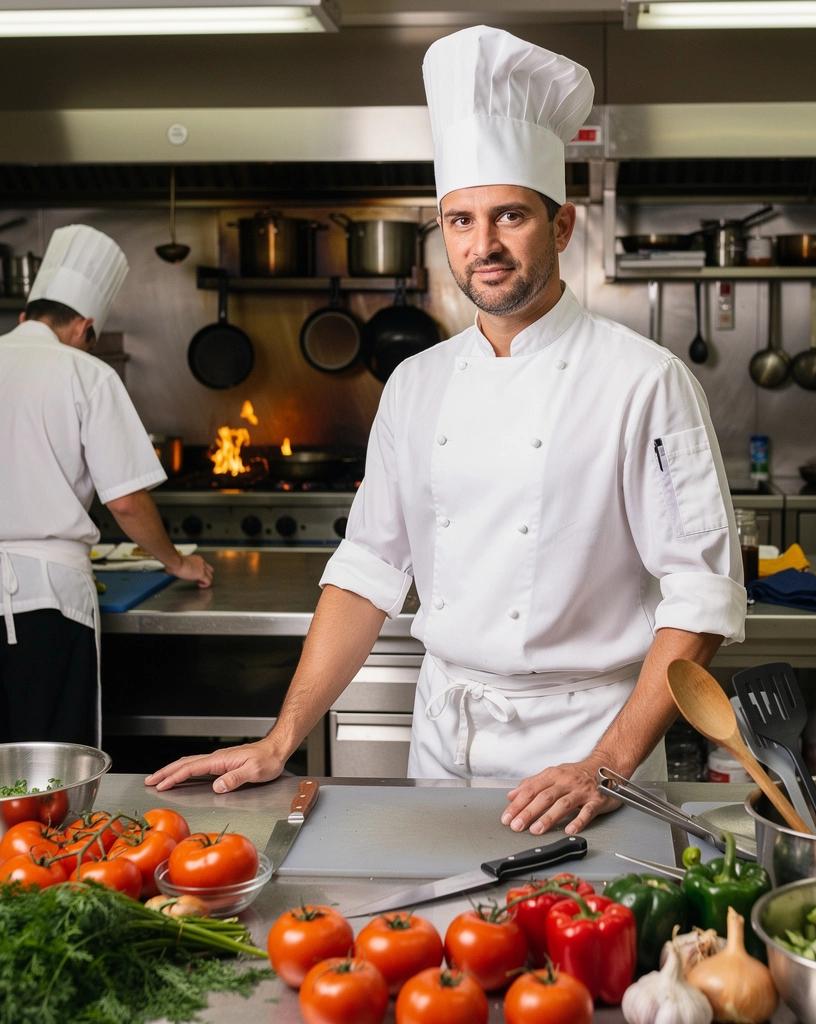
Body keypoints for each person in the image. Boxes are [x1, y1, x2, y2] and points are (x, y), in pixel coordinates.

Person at [147, 26, 745, 836]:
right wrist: (282, 736)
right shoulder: (417, 383)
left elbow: (701, 593)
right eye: (461, 222)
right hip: (441, 739)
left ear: (563, 227)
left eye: (510, 217)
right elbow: (365, 571)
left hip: (582, 750)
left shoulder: (643, 381)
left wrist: (607, 763)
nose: (484, 246)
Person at [0, 224, 213, 746]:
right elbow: (126, 501)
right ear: (84, 327)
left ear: (26, 317)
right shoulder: (85, 373)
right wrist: (176, 562)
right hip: (48, 604)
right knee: (47, 771)